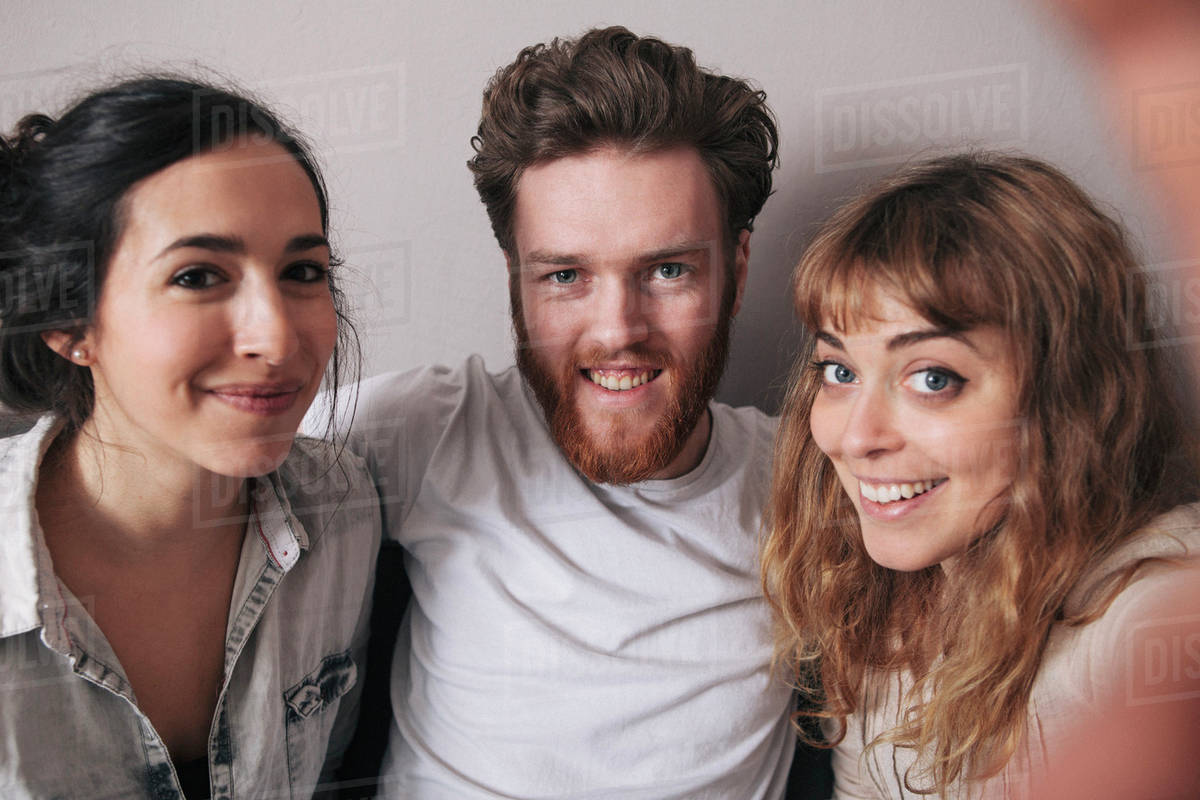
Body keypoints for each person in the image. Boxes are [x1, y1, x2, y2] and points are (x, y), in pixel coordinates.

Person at [318, 26, 818, 799]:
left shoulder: (810, 479)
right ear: (515, 277)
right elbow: (184, 465)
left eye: (670, 269)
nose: (617, 329)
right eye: (565, 276)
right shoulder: (429, 429)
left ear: (738, 271)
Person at [762, 152, 1200, 798]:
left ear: (1064, 395)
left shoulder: (1153, 627)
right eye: (840, 372)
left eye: (933, 378)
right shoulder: (872, 606)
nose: (856, 438)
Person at [0, 77, 381, 799]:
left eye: (303, 271)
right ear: (67, 323)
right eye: (199, 275)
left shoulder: (344, 510)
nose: (276, 338)